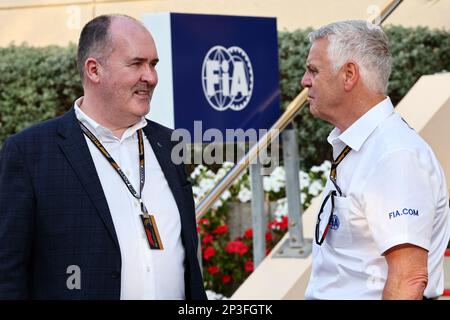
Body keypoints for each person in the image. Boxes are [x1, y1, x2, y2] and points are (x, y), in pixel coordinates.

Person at [0, 14, 206, 300]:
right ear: (94, 70)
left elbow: (188, 264)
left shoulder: (169, 144)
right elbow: (8, 273)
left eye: (153, 64)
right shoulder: (30, 153)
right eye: (137, 64)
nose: (151, 77)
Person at [301, 20, 450, 300]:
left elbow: (409, 280)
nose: (305, 81)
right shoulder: (363, 146)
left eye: (313, 70)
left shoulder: (395, 155)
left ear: (348, 75)